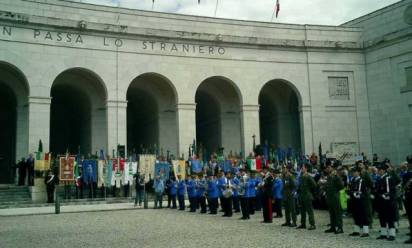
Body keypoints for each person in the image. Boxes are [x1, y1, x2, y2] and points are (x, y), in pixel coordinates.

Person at [375, 163, 397, 241]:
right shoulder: (379, 178)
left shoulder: (388, 178)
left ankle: (392, 234)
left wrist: (386, 195)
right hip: (381, 201)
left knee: (390, 217)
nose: (379, 171)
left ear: (384, 170)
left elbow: (390, 191)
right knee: (382, 217)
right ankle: (383, 234)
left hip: (388, 201)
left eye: (380, 170)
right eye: (378, 170)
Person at [348, 166, 371, 237]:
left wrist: (359, 194)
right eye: (353, 172)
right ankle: (356, 230)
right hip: (354, 200)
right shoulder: (353, 180)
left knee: (363, 215)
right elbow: (350, 189)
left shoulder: (362, 180)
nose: (353, 173)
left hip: (361, 200)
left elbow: (364, 191)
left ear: (359, 172)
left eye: (355, 172)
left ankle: (366, 231)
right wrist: (352, 193)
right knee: (355, 215)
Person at [324, 161, 344, 234]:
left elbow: (341, 186)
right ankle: (333, 226)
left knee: (337, 212)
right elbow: (328, 186)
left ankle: (340, 227)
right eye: (327, 168)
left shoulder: (336, 175)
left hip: (335, 196)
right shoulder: (329, 176)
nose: (327, 169)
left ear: (332, 168)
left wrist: (335, 191)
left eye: (329, 167)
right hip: (330, 197)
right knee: (332, 212)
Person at [297, 163, 316, 230]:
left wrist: (308, 189)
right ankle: (303, 224)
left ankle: (312, 224)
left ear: (306, 169)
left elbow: (314, 185)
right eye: (302, 167)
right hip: (302, 196)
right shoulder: (302, 176)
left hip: (307, 196)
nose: (302, 168)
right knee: (302, 211)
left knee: (309, 211)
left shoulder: (308, 176)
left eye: (303, 167)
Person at [403, 155, 412, 244]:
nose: (409, 165)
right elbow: (404, 186)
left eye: (410, 163)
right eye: (409, 163)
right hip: (408, 198)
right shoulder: (407, 174)